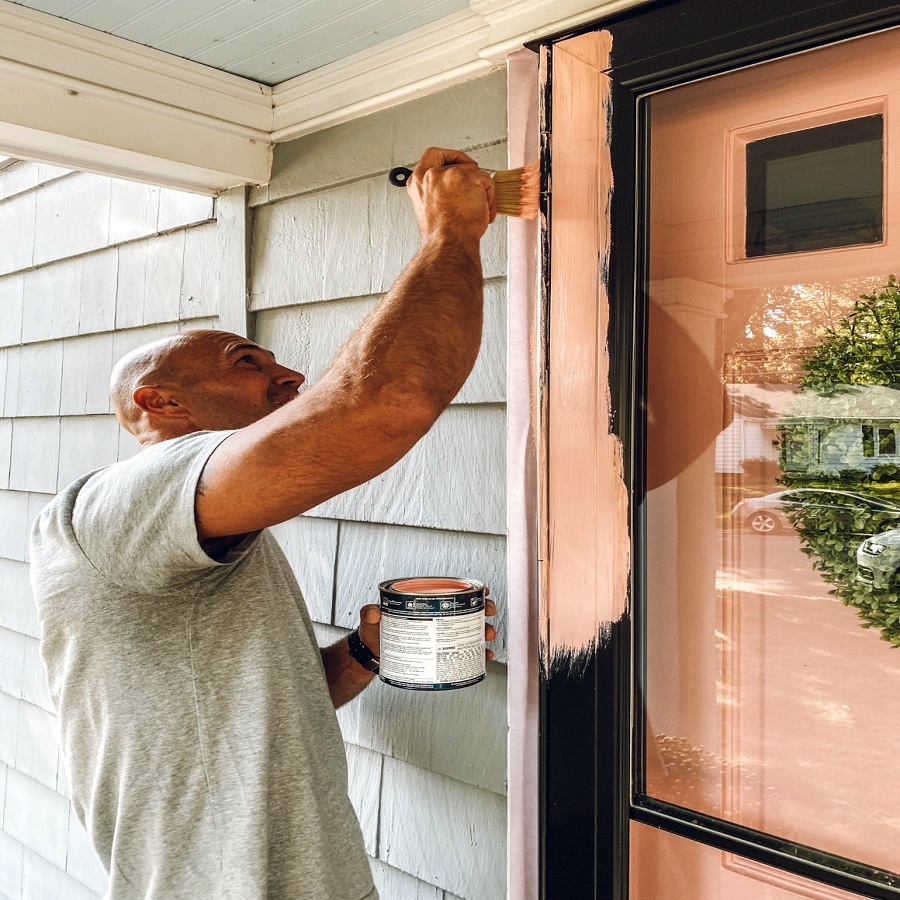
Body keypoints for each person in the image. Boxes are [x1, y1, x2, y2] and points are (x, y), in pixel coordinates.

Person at [29, 147, 498, 900]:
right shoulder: (122, 500)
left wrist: (359, 655)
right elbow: (381, 405)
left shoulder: (186, 528)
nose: (289, 377)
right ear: (160, 403)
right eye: (248, 362)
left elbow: (248, 715)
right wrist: (450, 235)